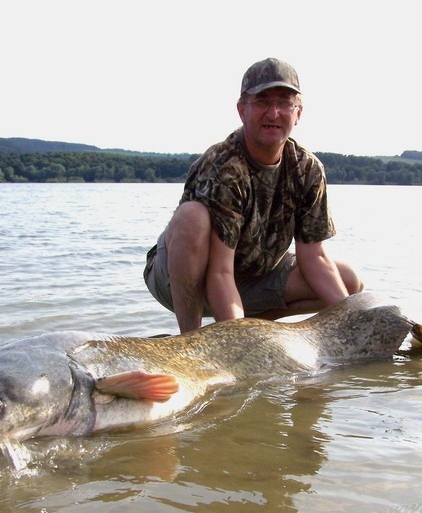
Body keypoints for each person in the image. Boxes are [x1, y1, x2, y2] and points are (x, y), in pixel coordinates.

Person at [143, 57, 363, 333]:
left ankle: (258, 330)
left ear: (298, 113)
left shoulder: (308, 169)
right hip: (183, 278)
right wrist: (239, 344)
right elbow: (220, 271)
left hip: (252, 277)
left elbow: (314, 257)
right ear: (242, 110)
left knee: (350, 284)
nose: (273, 114)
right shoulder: (224, 166)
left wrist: (354, 321)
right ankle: (191, 338)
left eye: (284, 102)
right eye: (262, 102)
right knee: (192, 216)